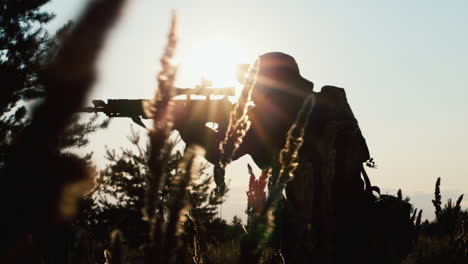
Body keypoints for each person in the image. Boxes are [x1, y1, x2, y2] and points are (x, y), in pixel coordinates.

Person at [178, 52, 372, 263]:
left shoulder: (263, 117)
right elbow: (362, 153)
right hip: (357, 222)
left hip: (309, 236)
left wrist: (189, 125)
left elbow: (219, 154)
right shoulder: (325, 104)